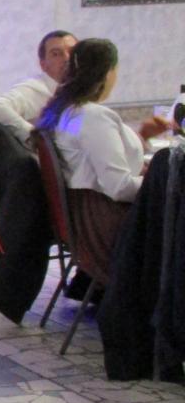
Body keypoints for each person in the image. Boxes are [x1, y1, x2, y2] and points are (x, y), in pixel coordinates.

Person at [35, 37, 162, 286]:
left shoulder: (65, 112)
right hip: (108, 223)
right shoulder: (93, 116)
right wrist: (158, 179)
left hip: (85, 219)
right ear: (108, 72)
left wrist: (143, 140)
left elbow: (93, 157)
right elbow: (119, 187)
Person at [0, 29, 76, 146]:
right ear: (43, 64)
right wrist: (35, 136)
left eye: (72, 52)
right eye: (56, 54)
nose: (67, 58)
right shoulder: (34, 89)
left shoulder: (83, 93)